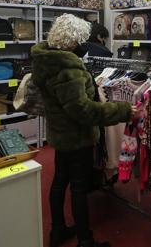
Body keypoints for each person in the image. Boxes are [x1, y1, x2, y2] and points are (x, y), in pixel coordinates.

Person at [31, 14, 138, 247]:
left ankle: (58, 230)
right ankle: (85, 240)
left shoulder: (47, 61)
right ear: (74, 41)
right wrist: (123, 111)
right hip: (76, 135)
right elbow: (84, 111)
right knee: (78, 187)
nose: (84, 46)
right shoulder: (68, 70)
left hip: (59, 132)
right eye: (81, 40)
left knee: (60, 180)